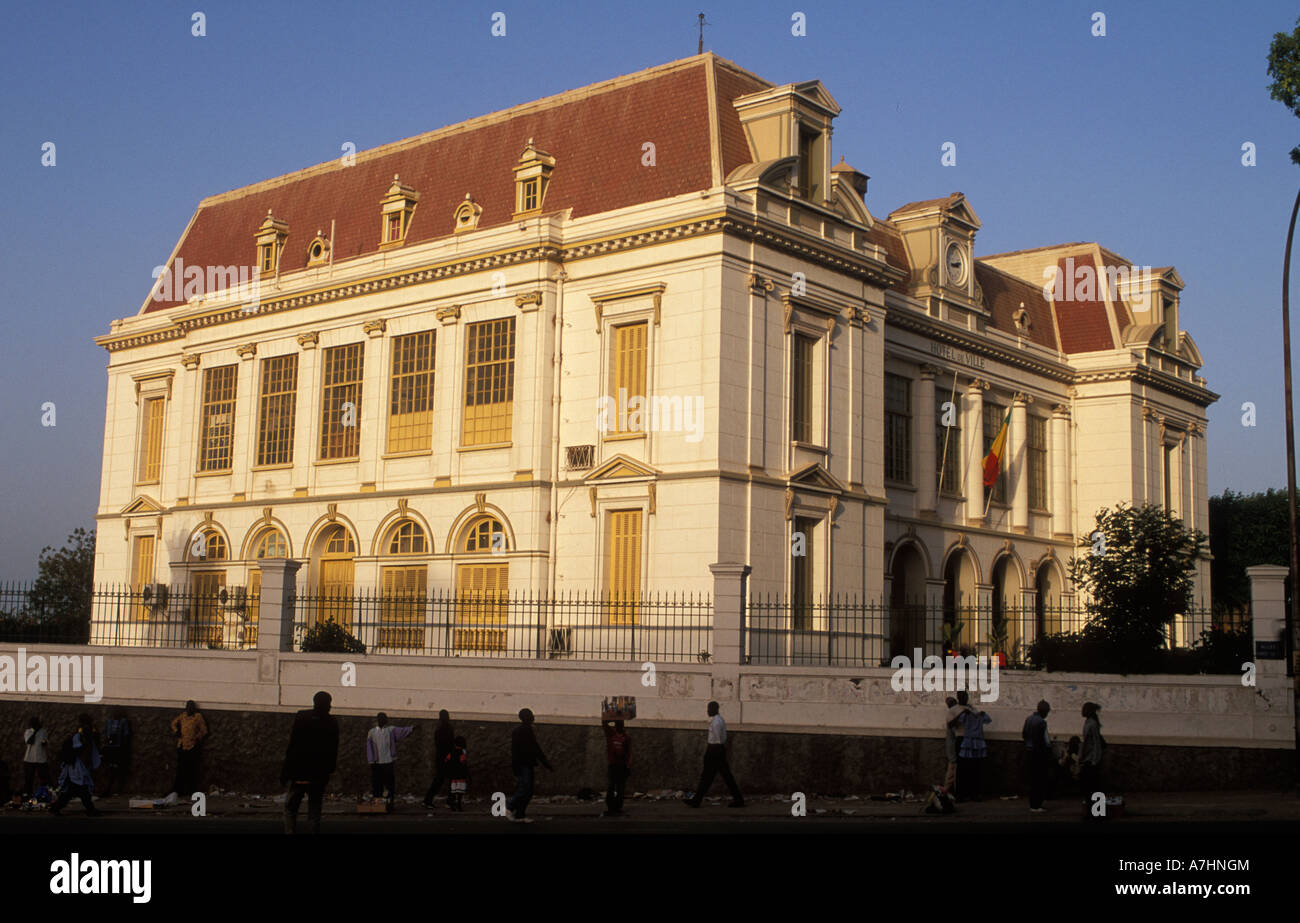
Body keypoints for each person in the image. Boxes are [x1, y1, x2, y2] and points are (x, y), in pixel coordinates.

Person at [282, 691, 340, 834]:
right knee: (314, 810)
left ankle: (290, 832)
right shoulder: (332, 722)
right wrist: (329, 771)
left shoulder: (302, 717)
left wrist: (286, 771)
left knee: (291, 808)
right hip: (318, 775)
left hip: (299, 772)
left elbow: (292, 745)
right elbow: (333, 750)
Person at [684, 701, 744, 808]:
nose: (707, 711)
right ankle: (697, 800)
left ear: (714, 709)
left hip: (714, 751)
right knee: (721, 776)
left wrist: (712, 751)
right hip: (717, 750)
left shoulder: (716, 722)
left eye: (709, 709)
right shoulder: (719, 720)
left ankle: (697, 800)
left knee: (709, 776)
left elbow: (717, 739)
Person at [51, 714, 101, 817]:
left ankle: (56, 808)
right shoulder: (80, 735)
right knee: (81, 789)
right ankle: (90, 810)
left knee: (73, 791)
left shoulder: (85, 734)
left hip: (79, 767)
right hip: (76, 767)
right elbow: (78, 749)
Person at [507, 708, 552, 823]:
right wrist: (545, 763)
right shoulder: (522, 731)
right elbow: (533, 748)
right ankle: (510, 807)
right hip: (524, 764)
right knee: (525, 788)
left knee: (528, 790)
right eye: (530, 715)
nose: (533, 717)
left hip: (526, 764)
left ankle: (520, 814)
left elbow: (533, 748)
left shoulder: (525, 730)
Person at [365, 712, 416, 806]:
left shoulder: (390, 730)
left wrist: (412, 728)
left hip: (388, 761)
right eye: (383, 718)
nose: (384, 720)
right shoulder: (372, 732)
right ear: (379, 720)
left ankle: (389, 801)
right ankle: (378, 802)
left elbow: (402, 731)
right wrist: (371, 760)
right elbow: (369, 747)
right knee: (377, 783)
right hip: (377, 762)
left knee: (389, 784)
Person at [167, 700, 208, 802]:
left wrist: (196, 737)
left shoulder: (198, 717)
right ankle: (178, 790)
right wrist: (177, 732)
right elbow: (173, 724)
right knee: (180, 769)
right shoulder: (183, 716)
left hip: (192, 746)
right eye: (187, 707)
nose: (189, 709)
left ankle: (191, 791)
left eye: (191, 707)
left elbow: (204, 731)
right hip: (182, 746)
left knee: (191, 769)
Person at [954, 691, 991, 802]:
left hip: (972, 741)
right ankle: (965, 794)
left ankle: (971, 793)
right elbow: (956, 722)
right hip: (970, 741)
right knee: (966, 769)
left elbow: (988, 719)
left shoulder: (972, 711)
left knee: (973, 769)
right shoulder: (963, 712)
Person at [1022, 699, 1052, 813]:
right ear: (1044, 711)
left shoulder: (1029, 719)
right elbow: (1046, 741)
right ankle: (1037, 804)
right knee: (1039, 780)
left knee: (1032, 780)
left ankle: (1032, 804)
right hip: (1039, 754)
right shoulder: (1042, 723)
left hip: (1029, 751)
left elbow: (1024, 734)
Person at [423, 710, 455, 808]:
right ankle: (449, 801)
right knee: (450, 780)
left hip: (441, 757)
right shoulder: (448, 728)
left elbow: (438, 745)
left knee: (439, 780)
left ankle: (428, 800)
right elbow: (450, 744)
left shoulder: (438, 729)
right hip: (447, 757)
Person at [602, 719, 631, 817]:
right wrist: (612, 718)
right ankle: (611, 807)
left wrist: (628, 765)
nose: (619, 727)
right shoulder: (611, 734)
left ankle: (618, 807)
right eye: (617, 724)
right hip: (613, 765)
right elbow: (604, 723)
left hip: (622, 765)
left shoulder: (626, 738)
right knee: (612, 786)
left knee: (620, 787)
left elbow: (629, 753)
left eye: (620, 725)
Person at [100, 708, 132, 797]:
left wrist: (123, 748)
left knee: (117, 769)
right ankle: (109, 788)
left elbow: (126, 734)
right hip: (110, 747)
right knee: (111, 768)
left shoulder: (123, 722)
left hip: (118, 748)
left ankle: (115, 789)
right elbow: (106, 733)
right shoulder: (109, 722)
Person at [1080, 702, 1105, 806]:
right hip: (1088, 759)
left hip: (1091, 760)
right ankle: (1092, 808)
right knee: (1089, 786)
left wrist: (1095, 760)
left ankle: (1096, 810)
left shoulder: (1092, 724)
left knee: (1093, 786)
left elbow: (1096, 743)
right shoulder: (1088, 723)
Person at [943, 696, 967, 794]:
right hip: (953, 746)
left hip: (953, 746)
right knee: (953, 769)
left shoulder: (952, 713)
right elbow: (952, 725)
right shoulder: (952, 715)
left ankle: (948, 789)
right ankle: (947, 789)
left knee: (953, 769)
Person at [21, 716, 50, 798]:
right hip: (29, 759)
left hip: (41, 759)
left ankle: (43, 795)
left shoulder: (43, 731)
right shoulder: (28, 732)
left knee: (44, 778)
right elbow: (29, 741)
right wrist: (35, 731)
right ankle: (28, 795)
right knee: (29, 779)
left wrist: (44, 742)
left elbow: (45, 742)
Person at [445, 736, 469, 811]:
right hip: (461, 774)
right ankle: (459, 805)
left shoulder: (451, 751)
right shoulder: (463, 751)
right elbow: (463, 761)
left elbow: (446, 760)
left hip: (453, 773)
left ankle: (452, 805)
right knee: (460, 791)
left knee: (453, 790)